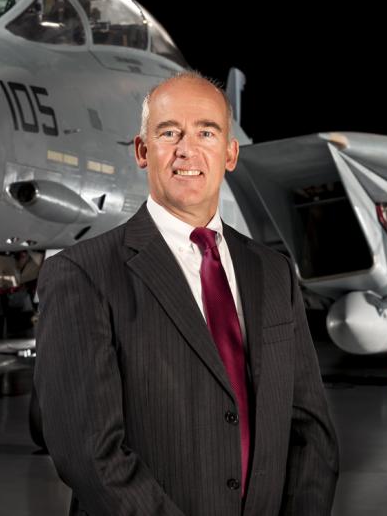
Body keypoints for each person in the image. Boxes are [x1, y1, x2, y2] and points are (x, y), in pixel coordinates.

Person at [34, 71, 339, 516]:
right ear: (142, 151)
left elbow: (310, 428)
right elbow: (89, 454)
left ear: (230, 153)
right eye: (168, 132)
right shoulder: (82, 274)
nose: (186, 150)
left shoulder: (273, 272)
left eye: (206, 132)